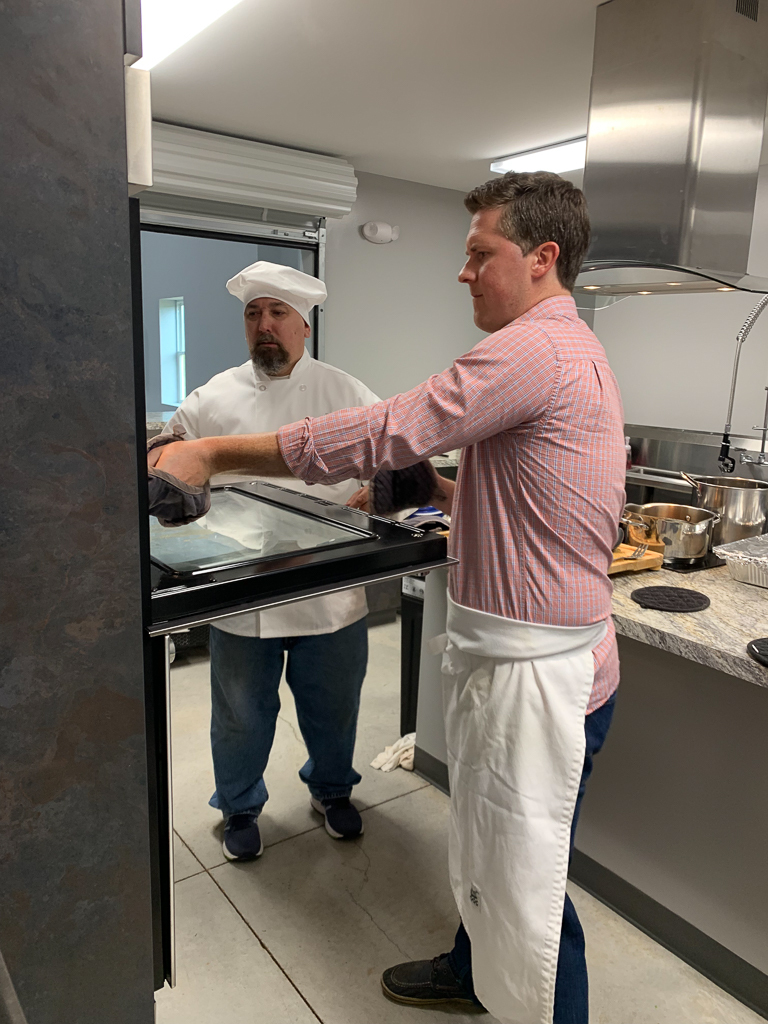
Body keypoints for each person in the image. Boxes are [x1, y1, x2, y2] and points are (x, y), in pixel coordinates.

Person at [152, 173, 626, 1024]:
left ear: (542, 256)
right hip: (519, 658)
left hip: (539, 678)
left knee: (529, 888)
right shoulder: (564, 348)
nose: (464, 271)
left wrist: (217, 457)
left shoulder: (536, 346)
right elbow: (516, 483)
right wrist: (446, 492)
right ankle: (469, 965)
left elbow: (385, 430)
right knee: (490, 854)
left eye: (479, 253)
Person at [163, 261, 380, 861]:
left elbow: (390, 459)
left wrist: (374, 492)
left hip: (329, 589)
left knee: (334, 705)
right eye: (253, 314)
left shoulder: (345, 391)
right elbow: (167, 448)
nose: (265, 325)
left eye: (277, 313)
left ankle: (333, 791)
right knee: (239, 713)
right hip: (242, 589)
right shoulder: (214, 396)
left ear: (303, 326)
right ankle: (238, 806)